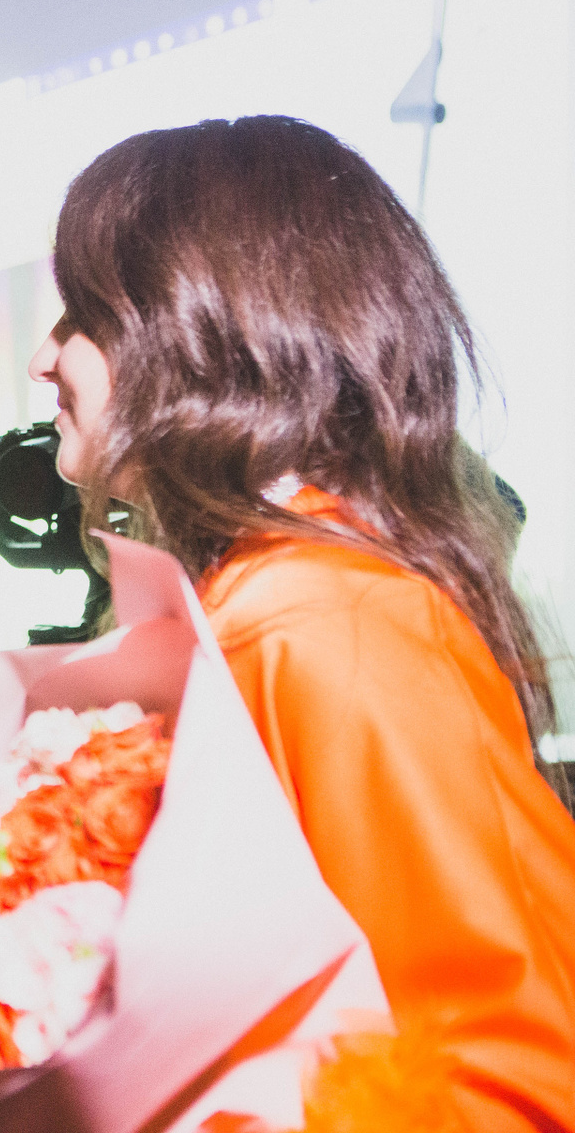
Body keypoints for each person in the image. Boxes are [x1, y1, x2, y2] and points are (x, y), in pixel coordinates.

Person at [29, 115, 575, 1130]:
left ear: (201, 330)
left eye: (81, 315)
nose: (42, 357)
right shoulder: (268, 606)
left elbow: (513, 1078)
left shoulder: (324, 627)